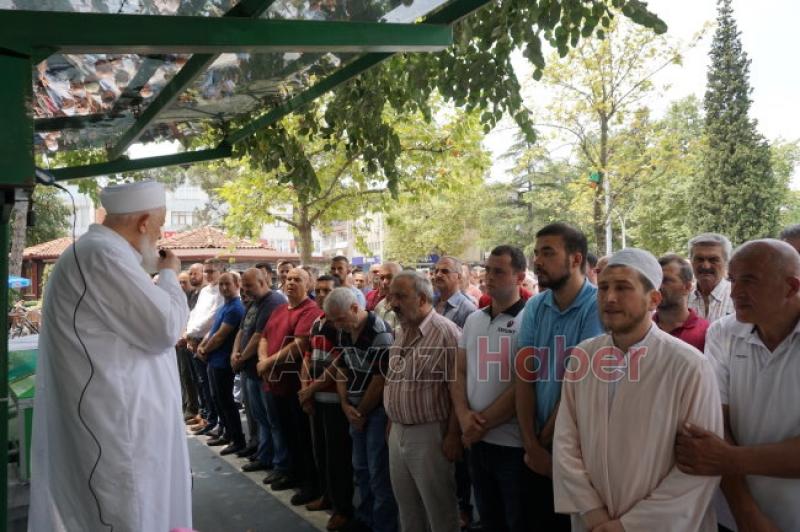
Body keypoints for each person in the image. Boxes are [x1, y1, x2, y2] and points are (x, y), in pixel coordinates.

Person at [30, 180, 192, 531]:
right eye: (161, 224)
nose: (160, 234)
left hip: (122, 417)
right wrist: (168, 275)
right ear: (144, 222)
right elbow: (164, 327)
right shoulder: (102, 254)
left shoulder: (102, 252)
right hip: (118, 426)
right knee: (129, 515)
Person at [554, 248, 723, 531]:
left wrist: (629, 526)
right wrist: (593, 512)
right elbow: (566, 443)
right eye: (604, 287)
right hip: (591, 521)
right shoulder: (584, 357)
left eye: (623, 288)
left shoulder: (688, 365)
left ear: (653, 299)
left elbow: (699, 467)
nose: (609, 298)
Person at [677, 239, 800, 531]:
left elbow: (716, 453)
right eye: (733, 279)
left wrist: (730, 459)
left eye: (749, 280)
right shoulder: (724, 333)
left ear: (792, 287)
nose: (735, 292)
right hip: (733, 515)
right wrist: (746, 513)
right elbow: (716, 425)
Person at [514, 222, 604, 530]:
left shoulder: (597, 307)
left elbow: (575, 385)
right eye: (536, 253)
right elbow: (524, 376)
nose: (537, 261)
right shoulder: (537, 305)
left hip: (576, 452)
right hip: (534, 448)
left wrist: (540, 444)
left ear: (576, 259)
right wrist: (531, 444)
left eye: (548, 253)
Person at [451, 245, 531, 532]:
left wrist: (480, 424)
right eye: (488, 270)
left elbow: (523, 384)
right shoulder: (474, 319)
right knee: (488, 519)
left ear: (520, 277)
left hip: (512, 445)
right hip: (477, 442)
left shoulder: (528, 321)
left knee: (516, 520)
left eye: (499, 271)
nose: (489, 277)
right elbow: (459, 371)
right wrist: (463, 417)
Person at [383, 271, 462, 532]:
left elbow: (457, 390)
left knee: (439, 510)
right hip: (399, 431)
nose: (393, 302)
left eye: (401, 296)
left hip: (431, 434)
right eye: (392, 296)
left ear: (423, 298)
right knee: (407, 508)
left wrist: (452, 434)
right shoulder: (402, 330)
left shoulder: (446, 333)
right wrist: (392, 421)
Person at [327, 287, 399, 532]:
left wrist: (361, 412)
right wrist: (346, 404)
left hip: (376, 413)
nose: (337, 326)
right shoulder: (344, 331)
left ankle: (383, 525)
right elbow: (342, 370)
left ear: (355, 308)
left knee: (379, 473)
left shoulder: (380, 333)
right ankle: (366, 519)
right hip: (355, 410)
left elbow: (380, 381)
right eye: (333, 320)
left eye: (340, 319)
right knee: (361, 468)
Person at [257, 267, 322, 505]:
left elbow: (299, 345)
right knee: (285, 433)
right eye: (288, 279)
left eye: (298, 279)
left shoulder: (310, 310)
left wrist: (268, 363)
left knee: (302, 436)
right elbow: (264, 336)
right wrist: (263, 361)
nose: (291, 283)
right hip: (273, 384)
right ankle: (292, 474)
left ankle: (309, 484)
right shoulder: (279, 309)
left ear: (309, 284)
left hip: (294, 385)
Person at [299, 275, 355, 531]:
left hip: (334, 399)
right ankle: (327, 494)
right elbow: (308, 356)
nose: (321, 295)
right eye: (318, 290)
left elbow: (338, 363)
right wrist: (305, 388)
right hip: (315, 397)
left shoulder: (341, 325)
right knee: (319, 451)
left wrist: (311, 389)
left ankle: (342, 507)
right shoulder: (318, 322)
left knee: (337, 457)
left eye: (327, 290)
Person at [431, 255, 475, 526]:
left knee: (458, 461)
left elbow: (465, 365)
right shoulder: (433, 305)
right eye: (435, 270)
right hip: (434, 394)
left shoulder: (467, 310)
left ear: (459, 277)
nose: (437, 275)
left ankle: (463, 509)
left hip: (455, 393)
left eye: (445, 271)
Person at [233, 268, 287, 471]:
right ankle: (265, 456)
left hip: (262, 371)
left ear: (263, 282)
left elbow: (258, 336)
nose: (245, 290)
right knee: (260, 418)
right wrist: (235, 353)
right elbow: (242, 330)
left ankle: (279, 463)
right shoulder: (253, 303)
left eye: (249, 286)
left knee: (272, 420)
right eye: (244, 286)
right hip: (248, 369)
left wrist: (241, 357)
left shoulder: (273, 302)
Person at [197, 272, 247, 454]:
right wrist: (203, 345)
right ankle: (226, 432)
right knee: (217, 399)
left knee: (226, 401)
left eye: (228, 284)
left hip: (223, 362)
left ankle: (237, 439)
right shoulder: (223, 306)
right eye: (222, 284)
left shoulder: (236, 308)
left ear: (237, 284)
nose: (224, 288)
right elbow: (212, 331)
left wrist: (204, 349)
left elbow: (220, 336)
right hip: (213, 360)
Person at [184, 259, 225, 434]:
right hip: (195, 339)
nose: (208, 275)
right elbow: (195, 313)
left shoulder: (222, 291)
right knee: (202, 383)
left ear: (221, 271)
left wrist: (193, 334)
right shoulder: (204, 291)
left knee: (213, 387)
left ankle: (217, 421)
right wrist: (189, 333)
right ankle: (209, 418)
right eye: (206, 271)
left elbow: (212, 317)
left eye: (211, 271)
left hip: (209, 342)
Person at [654, 254, 710, 351]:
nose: (658, 286)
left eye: (666, 280)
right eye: (656, 280)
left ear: (687, 287)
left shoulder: (706, 332)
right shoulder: (642, 329)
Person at [687, 233, 734, 322]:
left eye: (713, 260)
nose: (706, 266)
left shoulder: (737, 298)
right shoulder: (683, 298)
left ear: (726, 262)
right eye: (699, 259)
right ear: (691, 262)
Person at [375, 262, 402, 331]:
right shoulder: (379, 306)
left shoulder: (407, 307)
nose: (384, 282)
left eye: (389, 277)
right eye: (382, 278)